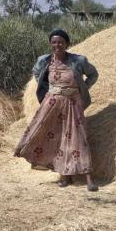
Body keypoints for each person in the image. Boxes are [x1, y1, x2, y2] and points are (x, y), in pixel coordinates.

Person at [14, 29, 99, 191]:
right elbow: (38, 74)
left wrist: (82, 89)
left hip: (73, 103)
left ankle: (89, 178)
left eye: (60, 42)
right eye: (54, 42)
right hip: (51, 104)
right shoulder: (44, 61)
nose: (57, 45)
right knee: (57, 137)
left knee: (78, 138)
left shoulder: (78, 61)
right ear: (50, 44)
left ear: (67, 44)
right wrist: (48, 88)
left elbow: (93, 74)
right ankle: (65, 176)